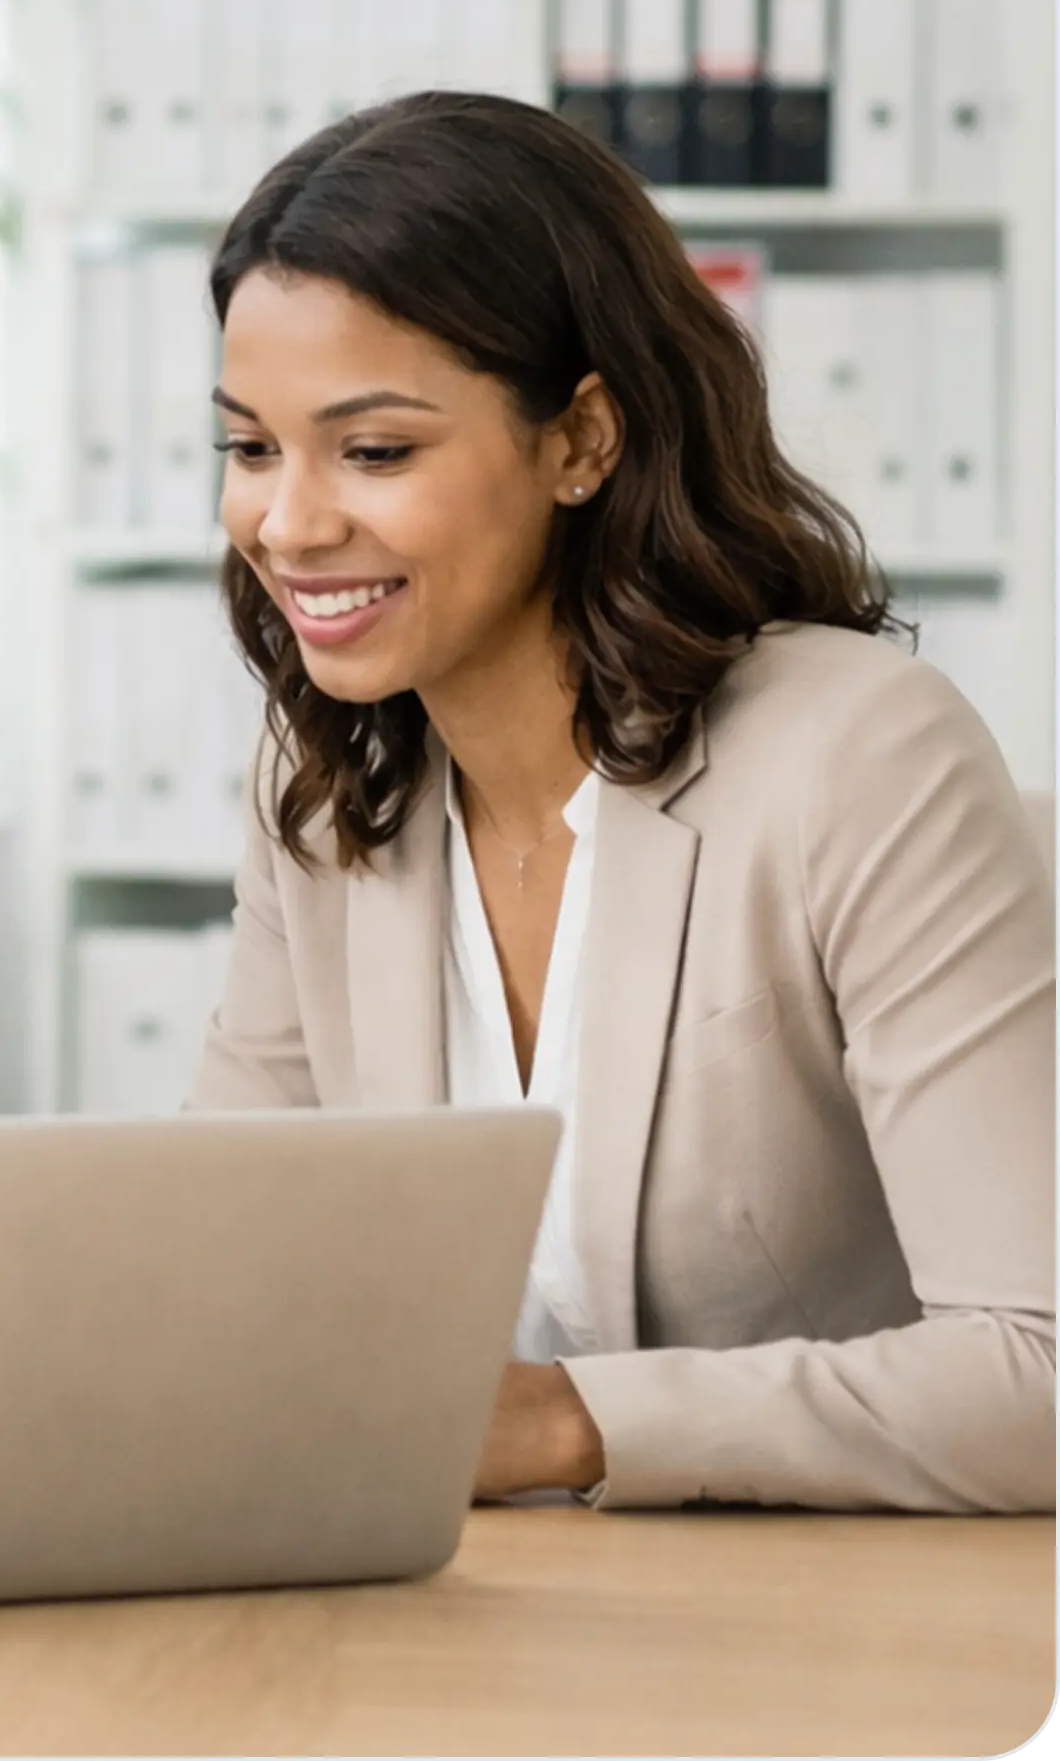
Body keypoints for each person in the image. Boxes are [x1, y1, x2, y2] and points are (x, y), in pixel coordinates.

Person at [190, 89, 1053, 1514]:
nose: (288, 522)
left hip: (831, 1641)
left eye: (375, 450)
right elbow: (221, 1259)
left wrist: (569, 1426)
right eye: (250, 448)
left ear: (583, 439)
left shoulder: (861, 757)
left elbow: (1039, 1369)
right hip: (470, 1616)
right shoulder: (331, 781)